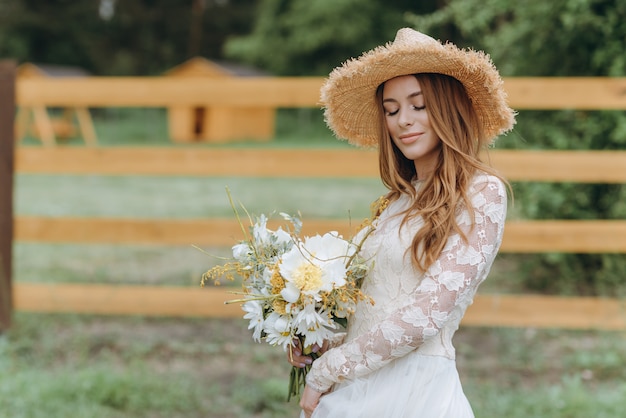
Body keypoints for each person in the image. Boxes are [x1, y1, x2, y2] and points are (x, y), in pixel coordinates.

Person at [287, 28, 516, 418]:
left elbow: (424, 317)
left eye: (418, 105)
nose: (402, 121)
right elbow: (381, 314)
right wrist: (322, 344)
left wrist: (325, 373)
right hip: (358, 387)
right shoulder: (396, 201)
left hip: (414, 392)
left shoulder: (482, 193)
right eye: (391, 110)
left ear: (447, 108)